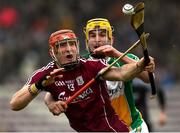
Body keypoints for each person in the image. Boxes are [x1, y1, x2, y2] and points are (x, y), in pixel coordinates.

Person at [10, 29, 155, 132]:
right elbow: (14, 104)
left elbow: (122, 73)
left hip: (113, 130)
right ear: (52, 52)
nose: (69, 50)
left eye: (72, 44)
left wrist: (139, 65)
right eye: (62, 46)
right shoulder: (46, 74)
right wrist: (39, 86)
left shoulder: (90, 66)